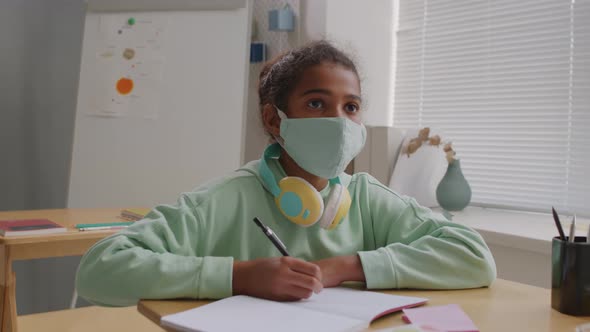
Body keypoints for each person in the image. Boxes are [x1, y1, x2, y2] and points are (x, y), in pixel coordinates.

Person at [76, 40, 496, 307]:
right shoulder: (225, 199)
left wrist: (346, 267)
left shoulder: (364, 197)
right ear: (274, 120)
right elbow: (99, 271)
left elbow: (475, 258)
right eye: (316, 103)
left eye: (350, 107)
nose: (339, 121)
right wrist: (238, 276)